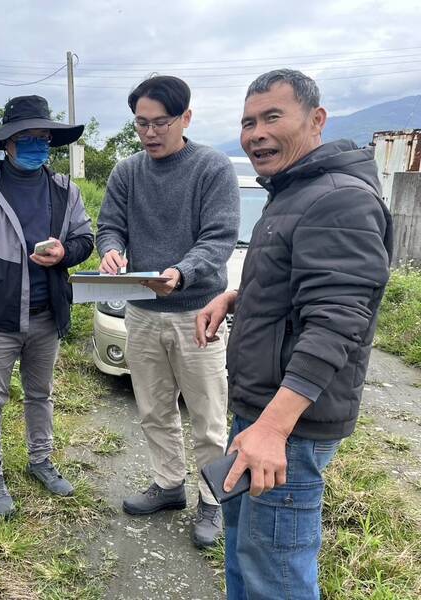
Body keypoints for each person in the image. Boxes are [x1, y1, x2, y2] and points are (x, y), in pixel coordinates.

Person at [195, 69, 393, 599]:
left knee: (275, 572)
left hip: (287, 427)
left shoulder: (337, 199)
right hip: (264, 413)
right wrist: (238, 298)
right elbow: (303, 290)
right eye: (247, 122)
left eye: (272, 118)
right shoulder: (294, 191)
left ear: (317, 120)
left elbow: (337, 320)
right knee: (248, 550)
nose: (256, 133)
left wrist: (273, 429)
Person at [96, 75, 240, 547]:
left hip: (197, 311)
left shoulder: (212, 169)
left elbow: (218, 240)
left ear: (186, 119)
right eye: (141, 123)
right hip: (141, 310)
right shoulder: (127, 172)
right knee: (154, 409)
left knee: (208, 415)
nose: (150, 132)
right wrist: (112, 251)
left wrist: (181, 271)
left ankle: (212, 501)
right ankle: (168, 485)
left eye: (161, 122)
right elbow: (110, 226)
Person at [0, 95, 94, 517]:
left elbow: (86, 240)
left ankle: (40, 461)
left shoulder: (65, 191)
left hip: (47, 316)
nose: (37, 145)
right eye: (27, 138)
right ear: (8, 143)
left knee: (40, 394)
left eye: (43, 138)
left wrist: (65, 252)